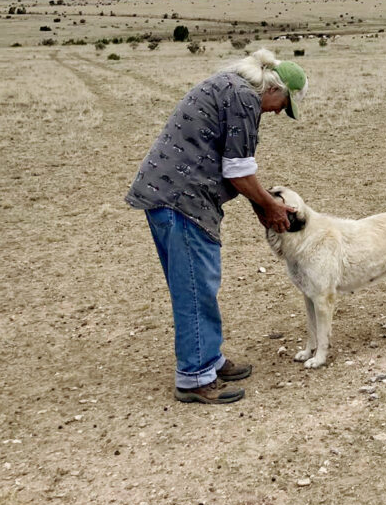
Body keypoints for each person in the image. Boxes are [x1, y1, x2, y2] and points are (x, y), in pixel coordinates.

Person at [126, 49, 308, 404]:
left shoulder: (230, 85)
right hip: (183, 199)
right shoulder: (244, 98)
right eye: (282, 106)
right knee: (195, 286)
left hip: (169, 193)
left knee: (197, 283)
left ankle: (209, 359)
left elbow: (233, 167)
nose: (275, 113)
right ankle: (194, 377)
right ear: (274, 90)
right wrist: (270, 206)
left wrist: (263, 205)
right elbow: (238, 170)